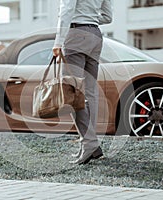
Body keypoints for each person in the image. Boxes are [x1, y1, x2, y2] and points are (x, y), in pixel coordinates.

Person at [53, 0, 113, 165]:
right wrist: (90, 21)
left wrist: (58, 42)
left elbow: (67, 10)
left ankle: (90, 143)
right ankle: (89, 145)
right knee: (89, 94)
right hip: (95, 35)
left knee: (72, 93)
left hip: (76, 35)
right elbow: (108, 17)